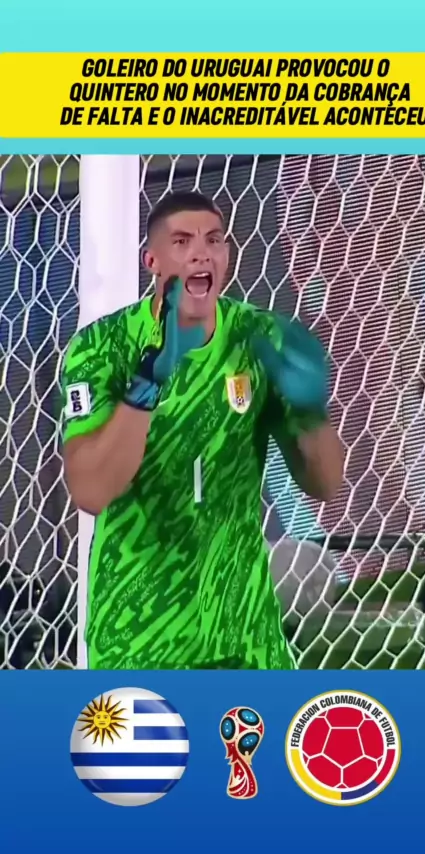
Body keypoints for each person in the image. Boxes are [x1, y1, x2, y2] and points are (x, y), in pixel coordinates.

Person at [61, 190, 344, 670]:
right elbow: (91, 490)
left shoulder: (260, 338)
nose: (201, 253)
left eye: (214, 240)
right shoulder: (101, 347)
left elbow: (326, 484)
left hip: (245, 633)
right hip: (138, 635)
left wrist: (309, 412)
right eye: (182, 241)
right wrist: (147, 384)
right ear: (152, 261)